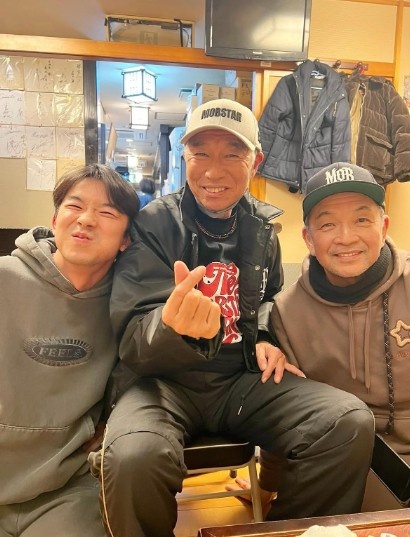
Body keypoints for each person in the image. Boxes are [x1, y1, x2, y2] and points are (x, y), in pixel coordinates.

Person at [94, 100, 375, 537]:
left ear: (255, 162)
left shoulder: (263, 227)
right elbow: (132, 338)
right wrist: (172, 327)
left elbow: (270, 297)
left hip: (240, 380)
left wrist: (264, 335)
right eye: (201, 153)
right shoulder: (153, 224)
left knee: (346, 421)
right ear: (184, 156)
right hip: (161, 383)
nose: (214, 170)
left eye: (232, 154)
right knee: (133, 456)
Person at [0, 164, 139, 537]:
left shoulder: (127, 304)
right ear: (54, 219)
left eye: (107, 212)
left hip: (67, 488)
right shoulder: (5, 278)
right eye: (74, 206)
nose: (86, 220)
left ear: (126, 239)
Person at [271, 161, 410, 459]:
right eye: (328, 224)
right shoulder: (287, 312)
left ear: (383, 227)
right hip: (340, 460)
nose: (346, 237)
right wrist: (270, 480)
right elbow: (289, 415)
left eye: (362, 220)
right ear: (309, 239)